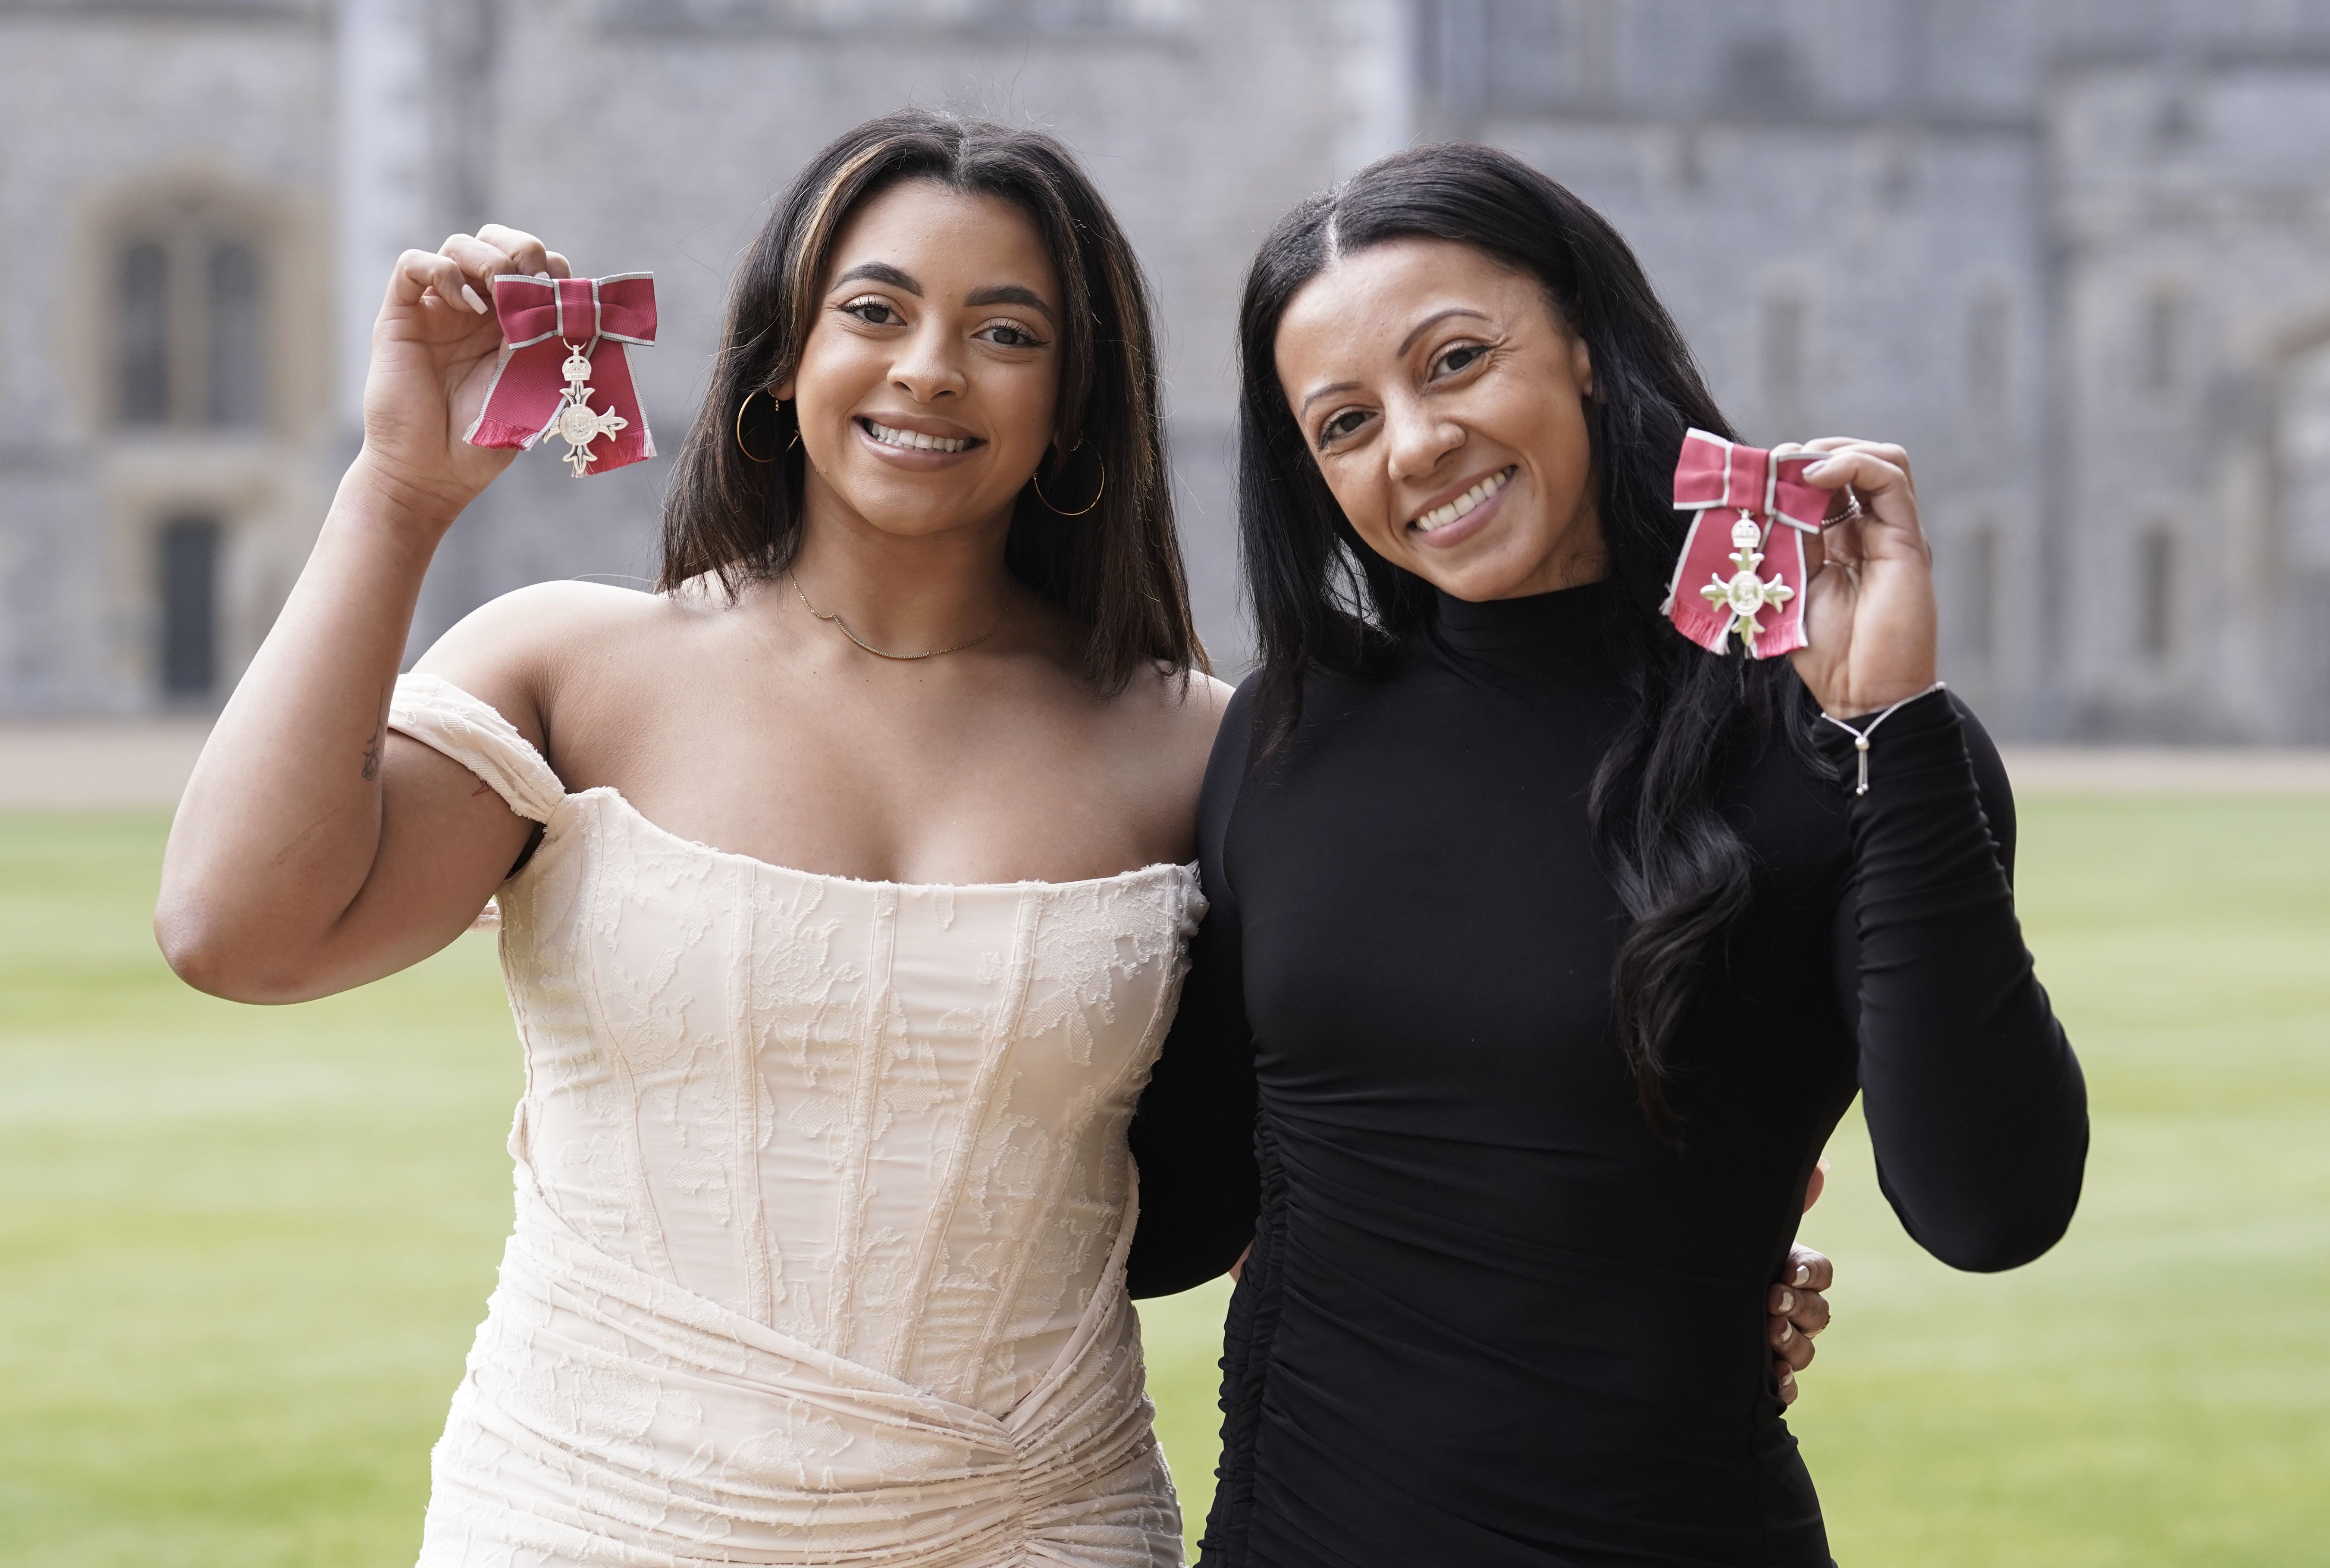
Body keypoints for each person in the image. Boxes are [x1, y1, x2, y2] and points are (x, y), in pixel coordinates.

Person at [154, 110, 1834, 1564]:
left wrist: (1659, 1274)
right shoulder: (566, 665)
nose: (927, 368)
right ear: (780, 359)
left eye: (1005, 329)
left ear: (1073, 401)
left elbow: (1346, 1133)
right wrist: (399, 493)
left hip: (1037, 1523)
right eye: (872, 310)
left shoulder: (1207, 744)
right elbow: (241, 931)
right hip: (590, 1511)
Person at [1141, 143, 2090, 1567]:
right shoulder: (1290, 727)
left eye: (1455, 361)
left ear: (1584, 344)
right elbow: (1178, 1206)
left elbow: (1992, 1207)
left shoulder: (1827, 742)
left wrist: (1891, 720)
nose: (1413, 444)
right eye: (1343, 425)